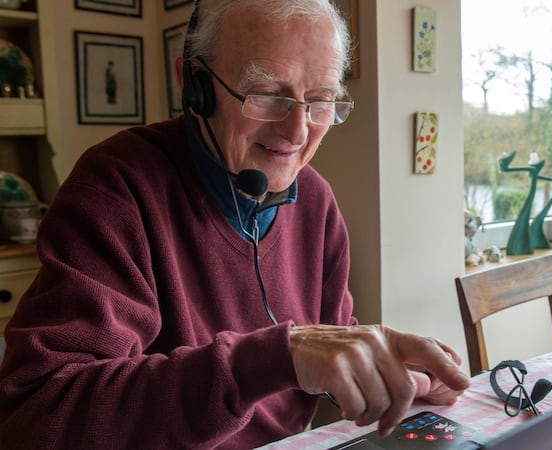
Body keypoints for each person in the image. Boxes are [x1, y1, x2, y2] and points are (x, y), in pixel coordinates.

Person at [0, 1, 470, 448]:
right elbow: (37, 416)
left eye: (321, 101)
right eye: (267, 95)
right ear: (193, 84)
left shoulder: (317, 202)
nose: (298, 133)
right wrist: (270, 359)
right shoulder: (115, 190)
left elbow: (326, 341)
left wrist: (383, 371)